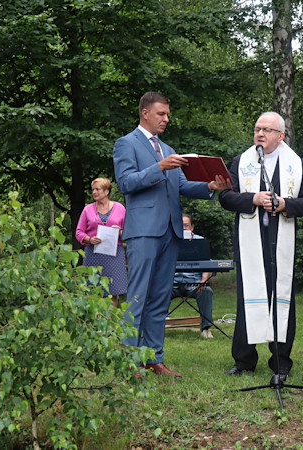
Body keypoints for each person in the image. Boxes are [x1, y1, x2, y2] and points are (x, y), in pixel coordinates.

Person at [113, 91, 229, 377]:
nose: (166, 119)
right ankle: (130, 362)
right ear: (145, 113)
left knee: (160, 298)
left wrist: (210, 188)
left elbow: (182, 186)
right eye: (161, 114)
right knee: (138, 296)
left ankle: (154, 359)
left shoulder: (167, 147)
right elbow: (126, 182)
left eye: (167, 114)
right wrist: (159, 167)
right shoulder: (126, 143)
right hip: (143, 231)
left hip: (171, 232)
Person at [219, 111, 303, 380]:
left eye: (267, 130)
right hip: (250, 239)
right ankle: (244, 359)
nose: (260, 134)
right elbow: (225, 198)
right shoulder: (241, 162)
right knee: (246, 297)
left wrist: (285, 204)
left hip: (280, 239)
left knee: (281, 297)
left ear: (281, 136)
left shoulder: (296, 164)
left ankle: (281, 361)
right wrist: (252, 198)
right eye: (257, 128)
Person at [75, 177, 127, 308]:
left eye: (97, 189)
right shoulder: (87, 209)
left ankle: (110, 325)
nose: (94, 192)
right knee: (94, 290)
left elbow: (129, 231)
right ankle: (97, 324)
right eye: (93, 190)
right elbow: (79, 232)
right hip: (93, 254)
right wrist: (90, 239)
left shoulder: (120, 208)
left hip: (114, 254)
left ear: (107, 191)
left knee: (113, 291)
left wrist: (120, 232)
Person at [171, 214, 215, 339]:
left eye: (186, 226)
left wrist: (203, 280)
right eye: (181, 226)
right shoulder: (170, 241)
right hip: (173, 283)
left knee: (206, 290)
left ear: (192, 227)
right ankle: (156, 326)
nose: (184, 228)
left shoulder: (200, 241)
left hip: (194, 283)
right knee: (157, 291)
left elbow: (207, 265)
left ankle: (206, 328)